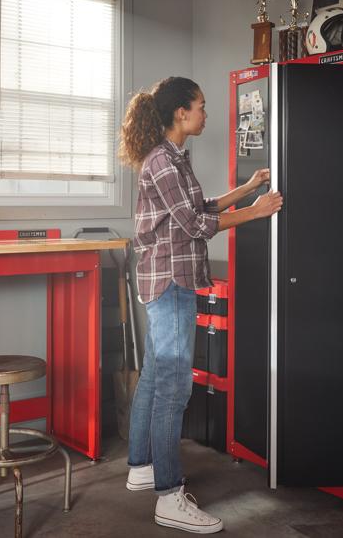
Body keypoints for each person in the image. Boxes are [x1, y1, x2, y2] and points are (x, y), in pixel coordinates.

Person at [118, 76, 283, 534]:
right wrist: (258, 210)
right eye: (202, 106)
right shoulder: (164, 162)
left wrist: (247, 189)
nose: (206, 114)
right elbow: (195, 224)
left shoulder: (172, 159)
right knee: (174, 387)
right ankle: (169, 497)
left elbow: (201, 206)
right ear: (180, 114)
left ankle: (141, 466)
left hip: (168, 280)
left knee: (155, 375)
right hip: (171, 282)